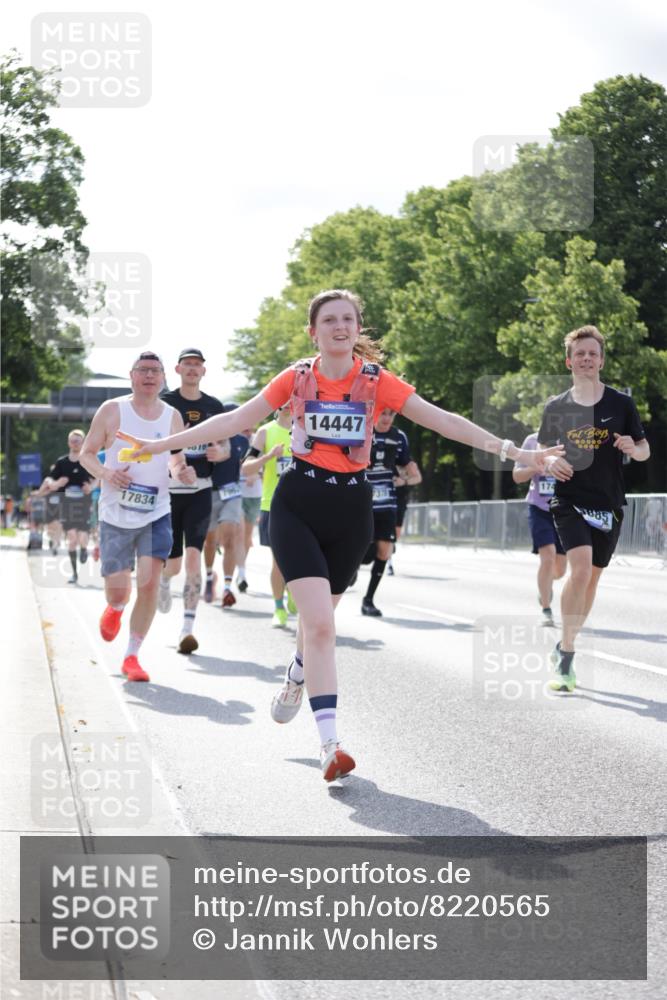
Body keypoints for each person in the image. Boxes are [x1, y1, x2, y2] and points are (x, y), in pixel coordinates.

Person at [130, 290, 561, 779]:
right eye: (329, 320)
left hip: (351, 510)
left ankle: (296, 674)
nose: (339, 326)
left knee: (318, 627)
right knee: (320, 627)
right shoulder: (296, 377)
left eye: (348, 319)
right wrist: (158, 445)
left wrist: (514, 451)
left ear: (358, 330)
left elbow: (443, 421)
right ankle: (330, 745)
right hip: (298, 505)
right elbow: (234, 420)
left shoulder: (377, 382)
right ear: (314, 331)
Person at [538, 325, 650, 691]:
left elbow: (644, 448)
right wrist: (551, 463)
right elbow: (542, 455)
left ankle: (563, 644)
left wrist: (634, 449)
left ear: (601, 360)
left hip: (609, 502)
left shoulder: (621, 404)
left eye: (593, 354)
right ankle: (567, 657)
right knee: (581, 570)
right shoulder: (557, 407)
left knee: (592, 579)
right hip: (569, 499)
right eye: (580, 354)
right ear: (569, 361)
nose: (586, 359)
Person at [79, 351, 195, 682]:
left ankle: (132, 656)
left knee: (148, 583)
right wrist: (106, 473)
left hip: (156, 510)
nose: (148, 375)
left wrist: (181, 472)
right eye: (142, 370)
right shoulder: (112, 410)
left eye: (155, 371)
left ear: (162, 378)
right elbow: (86, 454)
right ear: (131, 376)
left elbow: (175, 459)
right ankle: (114, 609)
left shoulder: (172, 416)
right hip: (116, 512)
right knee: (119, 592)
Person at [159, 349, 226, 653]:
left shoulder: (214, 406)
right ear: (178, 369)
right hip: (169, 492)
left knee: (193, 558)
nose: (192, 369)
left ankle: (187, 628)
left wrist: (220, 453)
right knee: (171, 565)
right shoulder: (164, 403)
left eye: (197, 365)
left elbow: (224, 445)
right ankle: (163, 582)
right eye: (187, 364)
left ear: (203, 371)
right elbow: (154, 443)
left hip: (201, 489)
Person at [361, 407, 421, 615]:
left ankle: (368, 600)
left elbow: (414, 474)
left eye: (391, 414)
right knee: (360, 549)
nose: (386, 418)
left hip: (387, 502)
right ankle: (349, 572)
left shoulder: (399, 437)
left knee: (385, 551)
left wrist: (403, 480)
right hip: (361, 501)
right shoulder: (363, 430)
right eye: (383, 413)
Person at [240, 404, 295, 628]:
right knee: (279, 561)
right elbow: (246, 468)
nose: (289, 405)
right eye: (285, 401)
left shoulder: (306, 430)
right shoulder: (265, 432)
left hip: (304, 504)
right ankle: (278, 607)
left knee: (302, 558)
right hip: (273, 504)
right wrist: (269, 457)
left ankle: (293, 590)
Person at [512, 429, 567, 626]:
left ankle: (545, 585)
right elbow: (517, 476)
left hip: (564, 510)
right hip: (539, 508)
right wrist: (534, 468)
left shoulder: (570, 440)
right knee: (548, 556)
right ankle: (546, 609)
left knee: (560, 570)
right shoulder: (531, 441)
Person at [203, 404, 249, 607]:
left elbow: (241, 464)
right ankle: (209, 576)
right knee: (210, 541)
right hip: (208, 493)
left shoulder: (242, 441)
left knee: (230, 537)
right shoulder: (207, 437)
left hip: (232, 494)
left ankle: (228, 587)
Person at [40, 430, 97, 583]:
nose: (74, 444)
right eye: (72, 441)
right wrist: (57, 483)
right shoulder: (62, 462)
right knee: (71, 538)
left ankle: (84, 549)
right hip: (67, 505)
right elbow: (49, 480)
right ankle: (74, 574)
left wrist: (91, 487)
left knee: (83, 538)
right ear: (68, 442)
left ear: (83, 442)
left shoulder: (88, 460)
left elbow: (99, 478)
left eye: (78, 441)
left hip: (84, 505)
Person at [237, 424, 262, 592]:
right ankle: (238, 572)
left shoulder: (258, 440)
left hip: (254, 495)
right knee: (238, 535)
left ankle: (241, 571)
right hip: (235, 494)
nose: (249, 427)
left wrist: (257, 474)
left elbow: (271, 465)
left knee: (246, 537)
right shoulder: (232, 440)